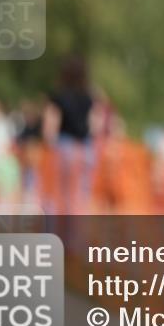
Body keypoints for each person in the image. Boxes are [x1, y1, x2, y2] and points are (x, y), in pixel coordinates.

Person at [43, 55, 97, 212]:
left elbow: (50, 126)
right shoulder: (89, 96)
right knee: (81, 195)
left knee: (59, 192)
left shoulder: (58, 95)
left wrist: (49, 145)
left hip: (64, 146)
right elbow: (94, 125)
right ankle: (76, 233)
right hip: (85, 148)